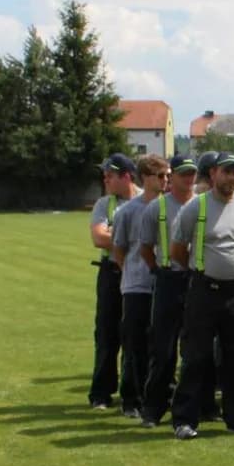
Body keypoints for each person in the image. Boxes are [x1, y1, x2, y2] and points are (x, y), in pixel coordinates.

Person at [167, 153, 234, 438]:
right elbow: (176, 250)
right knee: (196, 356)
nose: (232, 178)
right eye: (226, 172)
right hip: (203, 290)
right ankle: (185, 420)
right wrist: (200, 270)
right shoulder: (196, 208)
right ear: (213, 174)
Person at [137, 156, 198, 427]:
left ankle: (195, 406)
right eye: (183, 174)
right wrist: (160, 271)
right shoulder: (157, 208)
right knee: (162, 349)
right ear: (171, 177)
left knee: (195, 349)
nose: (188, 179)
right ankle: (153, 409)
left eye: (192, 174)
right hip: (168, 279)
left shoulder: (203, 204)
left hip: (196, 279)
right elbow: (145, 247)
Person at [111, 155, 167, 416]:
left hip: (163, 284)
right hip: (136, 285)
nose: (165, 181)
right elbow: (119, 249)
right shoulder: (127, 211)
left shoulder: (170, 208)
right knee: (134, 344)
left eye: (167, 176)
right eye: (160, 176)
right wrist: (131, 274)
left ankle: (154, 395)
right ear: (145, 177)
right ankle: (130, 398)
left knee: (159, 344)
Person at [87, 153, 137, 408]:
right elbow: (98, 237)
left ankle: (134, 392)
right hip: (110, 273)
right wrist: (131, 238)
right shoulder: (104, 204)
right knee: (106, 334)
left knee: (136, 335)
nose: (105, 179)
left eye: (110, 175)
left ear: (126, 176)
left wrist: (115, 234)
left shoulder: (145, 200)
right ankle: (101, 393)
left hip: (138, 273)